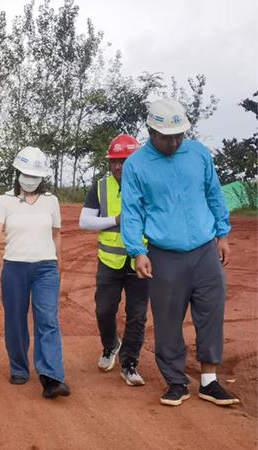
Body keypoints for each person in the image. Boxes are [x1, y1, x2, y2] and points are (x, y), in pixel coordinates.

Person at [121, 98, 239, 407]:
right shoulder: (136, 165)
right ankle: (175, 382)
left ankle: (209, 381)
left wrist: (222, 234)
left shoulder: (198, 153)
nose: (174, 142)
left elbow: (213, 193)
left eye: (179, 136)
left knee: (211, 312)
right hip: (164, 254)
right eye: (166, 137)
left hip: (205, 250)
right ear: (151, 132)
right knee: (168, 319)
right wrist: (137, 251)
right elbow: (132, 211)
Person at [0, 146, 69, 399]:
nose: (30, 179)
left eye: (35, 175)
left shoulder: (51, 201)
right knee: (15, 319)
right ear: (17, 173)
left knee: (47, 319)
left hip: (46, 268)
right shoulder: (4, 200)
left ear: (42, 177)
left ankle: (51, 376)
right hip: (14, 267)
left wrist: (59, 263)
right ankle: (19, 367)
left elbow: (56, 234)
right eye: (26, 174)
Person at [78, 134, 149, 386]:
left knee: (137, 315)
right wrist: (115, 220)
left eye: (124, 161)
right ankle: (110, 345)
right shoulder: (100, 187)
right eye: (113, 161)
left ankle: (129, 363)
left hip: (141, 262)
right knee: (104, 310)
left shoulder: (149, 186)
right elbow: (85, 221)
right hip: (109, 262)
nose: (118, 166)